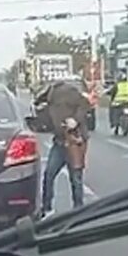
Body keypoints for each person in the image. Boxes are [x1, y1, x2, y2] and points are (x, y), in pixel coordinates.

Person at [33, 80, 91, 218]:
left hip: (74, 141)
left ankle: (78, 209)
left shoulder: (68, 92)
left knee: (75, 177)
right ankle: (47, 208)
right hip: (60, 142)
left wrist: (75, 120)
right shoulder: (51, 98)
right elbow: (39, 101)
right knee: (49, 175)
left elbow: (84, 104)